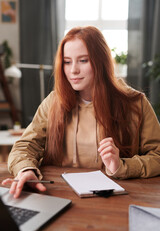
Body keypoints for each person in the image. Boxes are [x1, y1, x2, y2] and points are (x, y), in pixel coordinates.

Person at [2, 26, 160, 198]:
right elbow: (25, 146)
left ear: (101, 61)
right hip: (58, 194)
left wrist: (121, 166)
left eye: (83, 60)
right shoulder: (53, 102)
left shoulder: (136, 103)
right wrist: (25, 169)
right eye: (67, 62)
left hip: (117, 200)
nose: (73, 70)